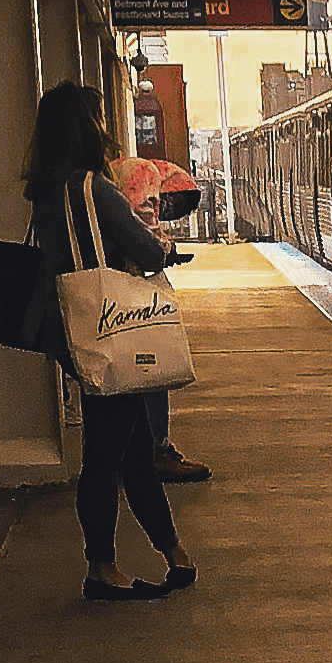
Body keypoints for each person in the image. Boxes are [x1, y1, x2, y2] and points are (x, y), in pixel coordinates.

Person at [24, 83, 198, 604]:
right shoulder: (93, 187)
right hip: (113, 330)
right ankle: (102, 567)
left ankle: (174, 554)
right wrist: (163, 246)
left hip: (76, 332)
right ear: (85, 128)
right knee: (108, 456)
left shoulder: (46, 190)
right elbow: (143, 250)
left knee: (131, 447)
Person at [107, 153, 212, 483]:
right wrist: (163, 246)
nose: (166, 212)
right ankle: (156, 451)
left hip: (114, 280)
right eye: (172, 206)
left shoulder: (117, 173)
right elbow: (143, 218)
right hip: (124, 286)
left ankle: (143, 450)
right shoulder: (143, 171)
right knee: (150, 366)